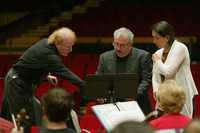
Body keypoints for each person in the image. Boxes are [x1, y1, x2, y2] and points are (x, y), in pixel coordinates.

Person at [1, 27, 84, 131]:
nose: (71, 50)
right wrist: (86, 85)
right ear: (58, 43)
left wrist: (46, 75)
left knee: (32, 117)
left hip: (22, 81)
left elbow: (31, 63)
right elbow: (67, 74)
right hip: (17, 84)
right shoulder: (50, 55)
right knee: (24, 121)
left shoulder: (45, 42)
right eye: (68, 47)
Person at [96, 27, 152, 115]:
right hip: (112, 107)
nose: (118, 48)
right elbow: (99, 79)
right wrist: (100, 93)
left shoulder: (143, 56)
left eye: (122, 45)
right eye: (116, 44)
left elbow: (147, 80)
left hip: (137, 105)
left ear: (130, 44)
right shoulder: (104, 57)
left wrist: (134, 94)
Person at [151, 20, 198, 117]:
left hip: (181, 95)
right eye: (153, 37)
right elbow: (155, 76)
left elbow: (169, 73)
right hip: (164, 96)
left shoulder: (180, 48)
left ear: (167, 38)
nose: (154, 41)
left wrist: (158, 61)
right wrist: (156, 90)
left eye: (157, 38)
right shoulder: (158, 53)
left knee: (184, 126)